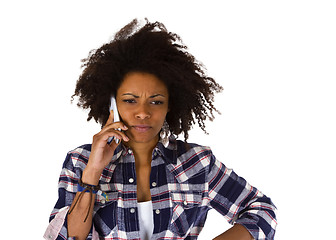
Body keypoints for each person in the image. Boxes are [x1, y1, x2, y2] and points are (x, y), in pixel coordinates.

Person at [44, 19, 277, 240]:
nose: (143, 113)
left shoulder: (196, 163)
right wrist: (93, 172)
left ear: (170, 105)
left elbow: (261, 210)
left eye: (155, 101)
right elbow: (68, 237)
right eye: (130, 100)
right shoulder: (80, 161)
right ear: (111, 104)